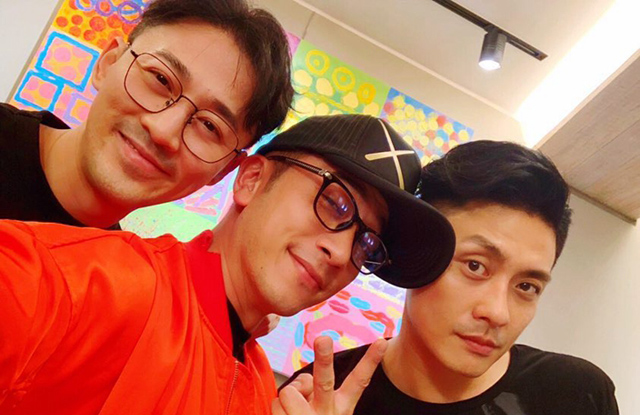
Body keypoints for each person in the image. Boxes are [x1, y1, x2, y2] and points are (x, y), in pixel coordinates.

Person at [0, 114, 456, 414]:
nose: (341, 253)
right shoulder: (78, 282)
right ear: (251, 180)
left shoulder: (263, 393)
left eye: (366, 244)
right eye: (334, 203)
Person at [286, 140, 619, 414]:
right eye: (475, 266)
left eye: (526, 286)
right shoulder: (320, 398)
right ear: (416, 254)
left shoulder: (576, 395)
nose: (498, 313)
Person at [0, 0, 293, 228]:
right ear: (108, 62)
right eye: (161, 79)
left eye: (209, 126)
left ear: (225, 170)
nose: (163, 131)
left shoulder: (112, 279)